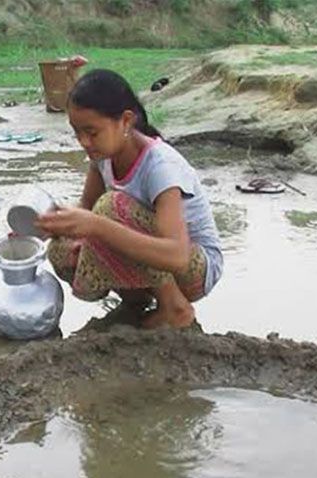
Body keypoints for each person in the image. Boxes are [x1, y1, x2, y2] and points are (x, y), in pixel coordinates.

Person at [36, 69, 222, 329]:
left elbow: (178, 255)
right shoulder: (102, 158)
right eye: (76, 132)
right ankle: (135, 303)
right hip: (153, 259)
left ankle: (175, 308)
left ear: (125, 121)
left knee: (111, 208)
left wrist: (96, 226)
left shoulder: (161, 167)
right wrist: (47, 224)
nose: (84, 142)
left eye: (92, 132)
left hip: (194, 269)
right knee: (60, 247)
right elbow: (85, 212)